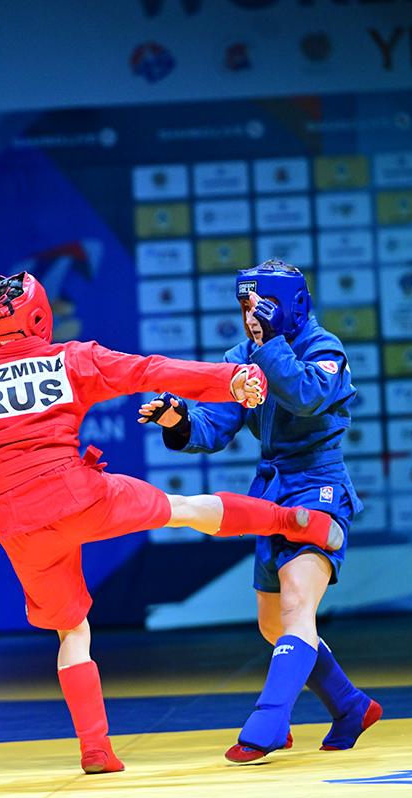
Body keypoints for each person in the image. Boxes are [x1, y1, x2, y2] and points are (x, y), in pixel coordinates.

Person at [0, 271, 343, 775]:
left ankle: (96, 750)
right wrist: (231, 380)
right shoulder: (70, 359)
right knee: (183, 509)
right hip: (80, 498)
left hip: (18, 525)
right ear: (38, 316)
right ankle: (294, 522)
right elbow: (149, 371)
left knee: (71, 630)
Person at [140, 259, 381, 764]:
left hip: (319, 488)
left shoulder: (324, 348)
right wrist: (178, 421)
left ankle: (268, 723)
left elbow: (307, 396)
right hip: (271, 496)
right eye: (246, 306)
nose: (252, 317)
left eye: (263, 306)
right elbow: (214, 427)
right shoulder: (241, 357)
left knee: (296, 608)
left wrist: (269, 345)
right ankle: (350, 706)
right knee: (274, 624)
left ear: (294, 305)